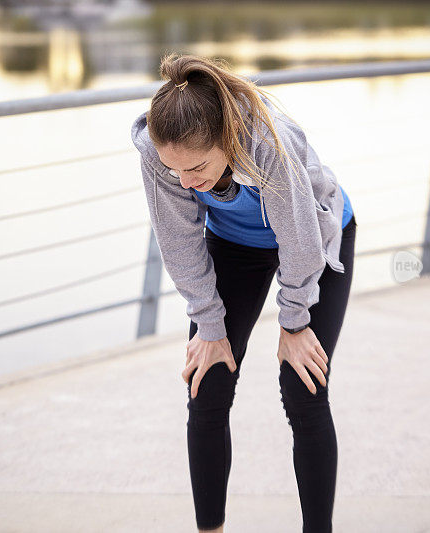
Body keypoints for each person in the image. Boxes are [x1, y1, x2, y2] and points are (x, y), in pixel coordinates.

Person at [130, 53, 357, 533]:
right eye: (177, 172)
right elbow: (180, 243)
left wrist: (293, 322)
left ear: (225, 140)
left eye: (197, 168)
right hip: (237, 244)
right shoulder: (160, 152)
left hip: (317, 237)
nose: (187, 182)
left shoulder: (264, 139)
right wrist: (210, 327)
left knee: (304, 385)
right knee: (206, 381)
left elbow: (300, 244)